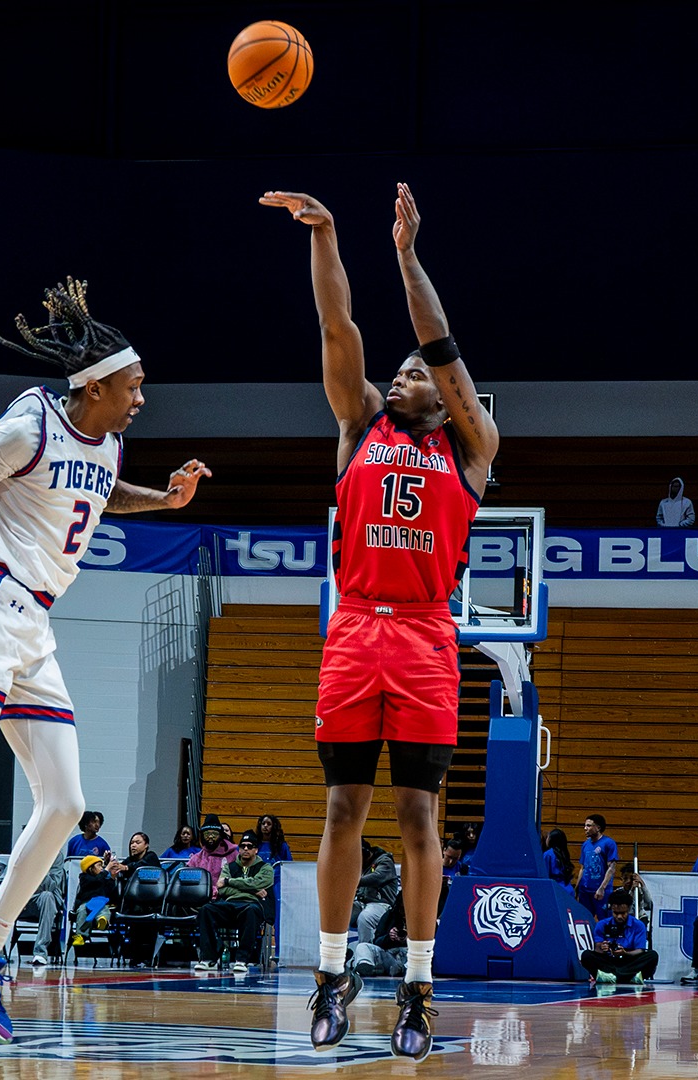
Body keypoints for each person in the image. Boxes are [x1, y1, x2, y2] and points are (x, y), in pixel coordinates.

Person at [0, 277, 211, 1044]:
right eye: (134, 385)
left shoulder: (108, 439)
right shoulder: (27, 424)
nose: (141, 399)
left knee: (63, 804)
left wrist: (164, 502)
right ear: (94, 385)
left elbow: (99, 489)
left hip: (37, 625)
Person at [262, 182, 499, 1062]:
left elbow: (439, 342)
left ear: (445, 396)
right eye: (392, 370)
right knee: (340, 807)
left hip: (429, 637)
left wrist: (405, 258)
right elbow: (338, 331)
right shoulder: (360, 422)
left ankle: (419, 990)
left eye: (413, 373)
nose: (397, 376)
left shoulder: (472, 446)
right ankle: (331, 977)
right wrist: (326, 239)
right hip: (356, 629)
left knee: (418, 819)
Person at [194, 831, 275, 973]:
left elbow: (257, 882)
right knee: (206, 909)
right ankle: (208, 958)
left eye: (249, 846)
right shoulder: (229, 867)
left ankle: (241, 960)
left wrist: (229, 881)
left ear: (256, 850)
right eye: (242, 846)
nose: (245, 849)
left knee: (251, 911)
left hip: (251, 905)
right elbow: (222, 890)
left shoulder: (265, 868)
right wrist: (252, 889)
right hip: (229, 904)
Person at [581, 890, 658, 986]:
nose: (619, 916)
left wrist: (625, 953)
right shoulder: (602, 924)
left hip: (629, 961)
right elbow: (597, 950)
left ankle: (611, 977)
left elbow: (640, 951)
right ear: (611, 909)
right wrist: (603, 948)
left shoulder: (638, 925)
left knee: (652, 956)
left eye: (623, 913)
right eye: (616, 913)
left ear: (629, 909)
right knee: (586, 955)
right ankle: (629, 977)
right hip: (609, 961)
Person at [353, 839, 401, 945]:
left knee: (365, 918)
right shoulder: (360, 865)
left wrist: (352, 882)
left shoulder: (385, 861)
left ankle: (365, 952)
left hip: (382, 904)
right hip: (362, 903)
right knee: (339, 913)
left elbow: (377, 877)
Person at [69, 854, 118, 950]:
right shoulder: (84, 877)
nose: (102, 868)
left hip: (101, 903)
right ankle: (80, 935)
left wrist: (112, 878)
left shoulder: (102, 878)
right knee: (82, 911)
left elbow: (110, 890)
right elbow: (96, 880)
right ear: (90, 868)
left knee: (104, 910)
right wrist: (106, 870)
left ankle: (102, 921)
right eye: (99, 866)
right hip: (86, 902)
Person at [577, 815, 621, 917]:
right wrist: (578, 888)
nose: (585, 828)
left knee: (604, 920)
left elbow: (612, 868)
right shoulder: (585, 845)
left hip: (601, 891)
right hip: (585, 891)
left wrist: (602, 888)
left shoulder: (608, 843)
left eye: (589, 826)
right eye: (585, 826)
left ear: (598, 827)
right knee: (584, 919)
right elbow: (582, 868)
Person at [188, 816, 239, 882]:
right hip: (203, 891)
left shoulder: (234, 854)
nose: (211, 837)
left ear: (221, 835)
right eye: (207, 834)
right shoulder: (196, 859)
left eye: (214, 834)